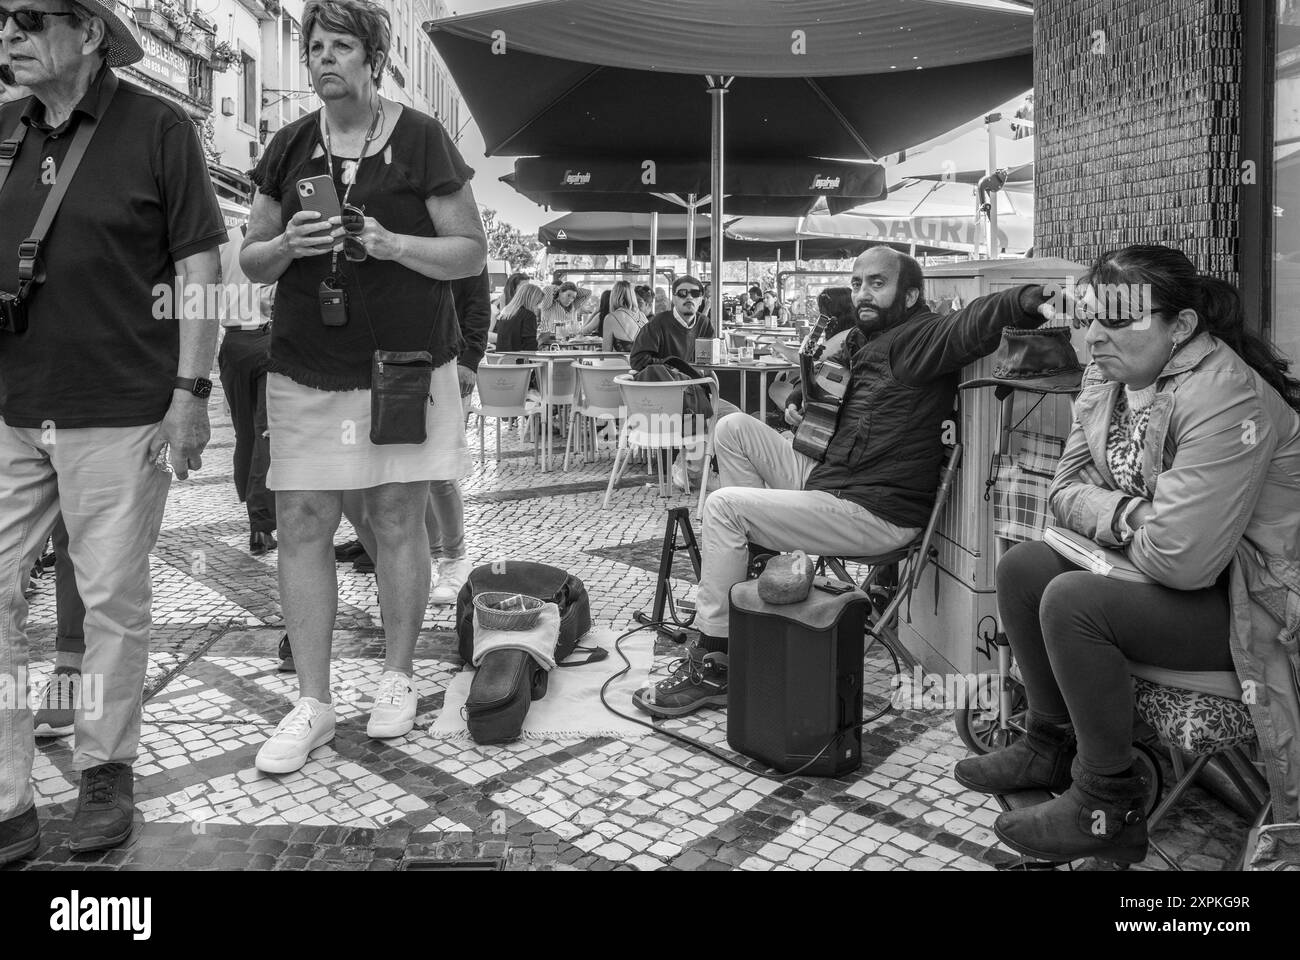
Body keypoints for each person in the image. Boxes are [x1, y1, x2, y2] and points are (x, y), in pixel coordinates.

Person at [954, 244, 1300, 865]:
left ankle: (1107, 802)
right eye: (1087, 318)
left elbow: (1184, 562)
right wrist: (1134, 515)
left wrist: (1117, 521)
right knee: (1024, 568)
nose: (1094, 338)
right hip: (1184, 581)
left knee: (1073, 600)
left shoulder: (1227, 398)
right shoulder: (1106, 379)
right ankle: (1047, 741)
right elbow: (1060, 494)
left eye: (1119, 320)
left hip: (1258, 606)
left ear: (1181, 328)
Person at [632, 248, 1055, 718]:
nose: (862, 293)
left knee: (724, 506)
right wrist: (798, 399)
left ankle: (717, 661)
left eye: (877, 283)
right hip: (831, 480)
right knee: (731, 429)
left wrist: (1030, 297)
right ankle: (758, 564)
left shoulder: (918, 338)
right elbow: (827, 387)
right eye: (856, 284)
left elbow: (972, 323)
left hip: (872, 511)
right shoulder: (862, 339)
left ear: (911, 294)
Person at [0, 0, 227, 862]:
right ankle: (7, 790)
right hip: (13, 406)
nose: (9, 34)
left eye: (29, 17)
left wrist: (191, 390)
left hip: (121, 409)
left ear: (89, 32)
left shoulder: (159, 128)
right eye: (2, 20)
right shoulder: (5, 129)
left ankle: (104, 769)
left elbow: (199, 265)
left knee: (110, 606)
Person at [240, 0, 485, 774]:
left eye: (340, 45)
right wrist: (283, 245)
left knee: (393, 514)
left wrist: (390, 243)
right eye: (315, 45)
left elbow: (470, 253)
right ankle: (313, 703)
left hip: (406, 364)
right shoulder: (287, 146)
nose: (323, 59)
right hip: (308, 361)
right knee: (303, 518)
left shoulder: (420, 138)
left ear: (372, 57)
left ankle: (398, 676)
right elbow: (249, 259)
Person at [217, 222, 277, 556]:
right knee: (264, 431)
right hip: (267, 340)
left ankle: (253, 511)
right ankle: (261, 525)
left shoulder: (224, 243)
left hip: (234, 343)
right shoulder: (277, 243)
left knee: (246, 434)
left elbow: (204, 296)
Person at [629, 274, 716, 372]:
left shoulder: (704, 323)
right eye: (682, 293)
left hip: (693, 382)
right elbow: (637, 360)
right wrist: (673, 367)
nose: (689, 297)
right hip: (665, 384)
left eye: (695, 293)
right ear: (674, 299)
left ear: (701, 300)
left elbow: (710, 360)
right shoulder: (657, 324)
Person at [494, 280, 543, 351]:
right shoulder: (528, 315)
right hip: (519, 359)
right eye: (538, 302)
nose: (538, 306)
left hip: (501, 360)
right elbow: (530, 347)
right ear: (531, 300)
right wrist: (541, 341)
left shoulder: (505, 314)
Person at [603, 279, 643, 352]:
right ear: (633, 296)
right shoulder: (642, 316)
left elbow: (606, 352)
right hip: (645, 361)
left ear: (613, 296)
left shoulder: (610, 318)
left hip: (622, 362)